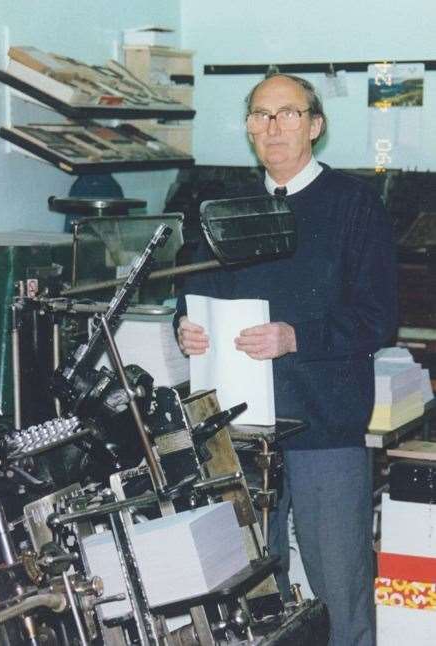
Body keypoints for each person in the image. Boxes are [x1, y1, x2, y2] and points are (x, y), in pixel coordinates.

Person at [174, 73, 397, 646]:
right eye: (260, 114)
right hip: (240, 432)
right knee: (251, 594)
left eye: (288, 114)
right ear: (248, 127)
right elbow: (192, 286)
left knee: (339, 591)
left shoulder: (354, 204)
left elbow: (378, 317)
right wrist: (186, 325)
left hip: (323, 424)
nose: (273, 127)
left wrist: (298, 337)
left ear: (315, 126)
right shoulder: (223, 207)